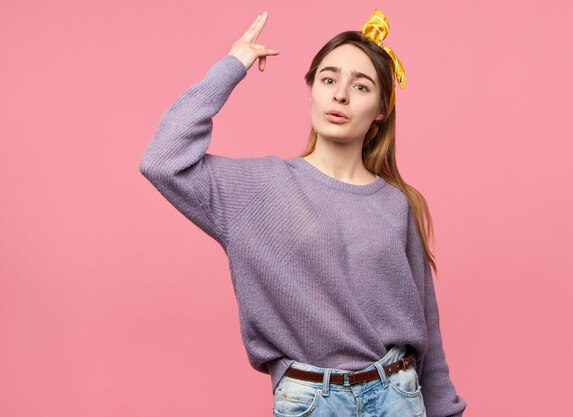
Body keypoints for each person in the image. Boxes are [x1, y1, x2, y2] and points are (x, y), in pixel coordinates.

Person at [139, 8, 466, 417]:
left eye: (360, 86)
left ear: (381, 109)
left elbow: (427, 329)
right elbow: (162, 160)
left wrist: (444, 410)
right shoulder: (260, 189)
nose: (340, 95)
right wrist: (231, 66)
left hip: (398, 395)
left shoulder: (398, 203)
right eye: (329, 79)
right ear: (311, 88)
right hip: (313, 402)